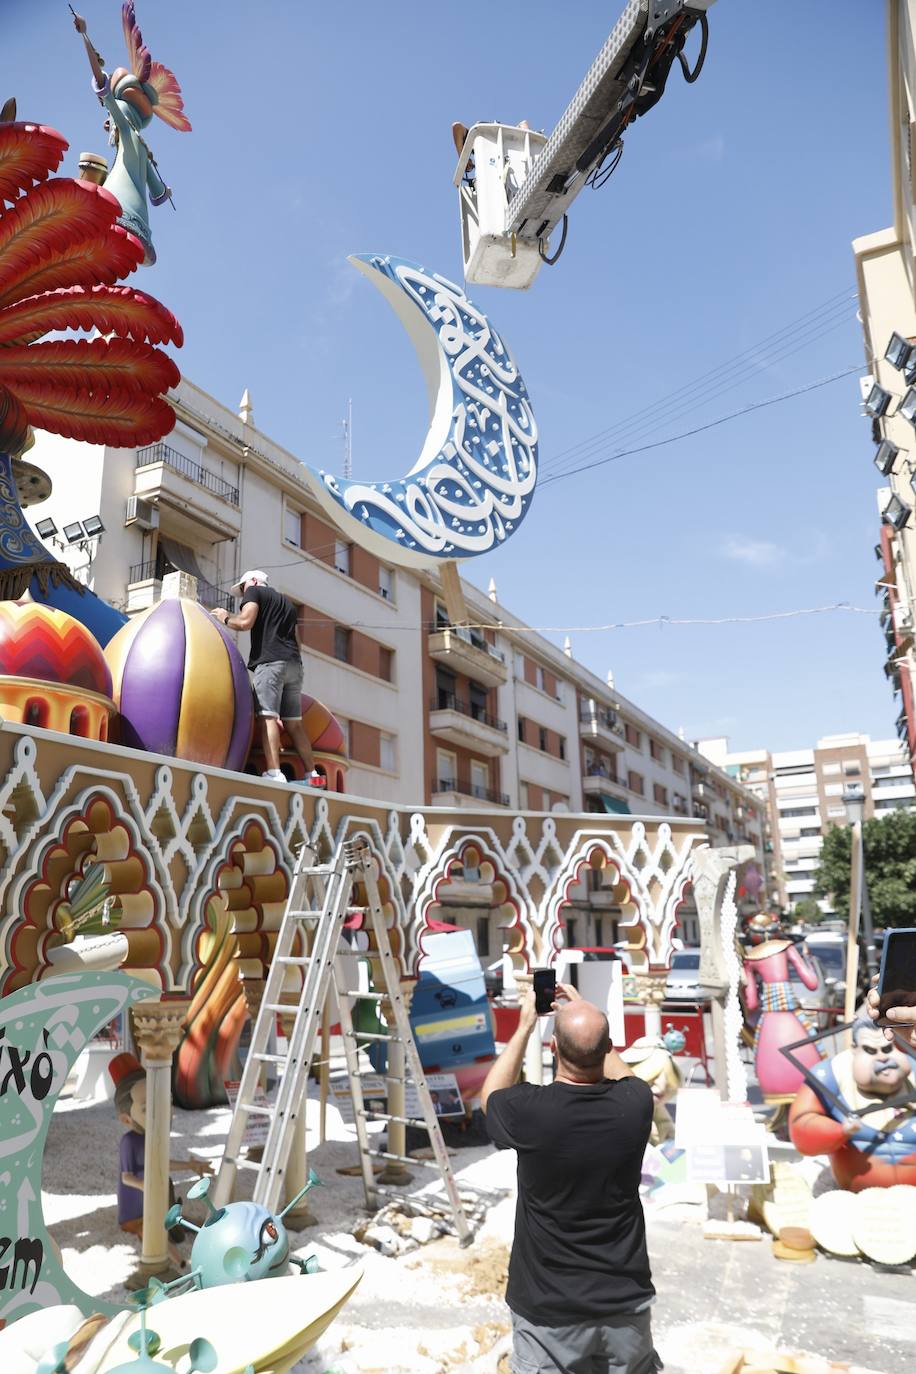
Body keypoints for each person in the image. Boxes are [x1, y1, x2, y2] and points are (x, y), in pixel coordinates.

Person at [481, 983, 659, 1374]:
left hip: (549, 1309)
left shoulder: (530, 1112)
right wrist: (583, 1013)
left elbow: (490, 1096)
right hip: (624, 1301)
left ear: (553, 1049)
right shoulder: (635, 1104)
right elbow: (623, 1073)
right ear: (608, 1047)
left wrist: (524, 1026)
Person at [212, 570, 321, 785]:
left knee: (268, 717)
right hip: (294, 665)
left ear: (252, 582)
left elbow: (245, 622)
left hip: (271, 664)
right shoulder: (287, 604)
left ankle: (273, 772)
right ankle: (312, 774)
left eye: (243, 589)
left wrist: (225, 617)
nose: (244, 594)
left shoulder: (254, 592)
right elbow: (297, 642)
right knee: (295, 724)